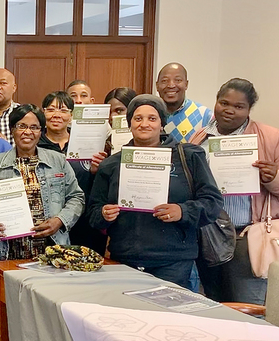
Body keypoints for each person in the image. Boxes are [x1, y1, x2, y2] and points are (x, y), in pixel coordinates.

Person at [89, 94, 223, 288]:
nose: (145, 124)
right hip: (124, 260)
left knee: (167, 317)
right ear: (129, 124)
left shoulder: (189, 157)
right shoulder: (111, 164)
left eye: (152, 118)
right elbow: (93, 212)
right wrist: (103, 214)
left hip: (173, 262)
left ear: (162, 123)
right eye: (138, 118)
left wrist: (182, 211)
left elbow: (213, 202)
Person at [189, 78, 279, 304]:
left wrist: (272, 178)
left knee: (246, 305)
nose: (229, 111)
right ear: (216, 102)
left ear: (249, 110)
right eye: (224, 103)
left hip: (246, 236)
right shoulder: (200, 138)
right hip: (206, 234)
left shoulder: (269, 137)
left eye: (239, 107)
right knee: (210, 301)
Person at [0, 104, 85, 261]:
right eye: (22, 126)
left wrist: (60, 220)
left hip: (53, 250)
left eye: (34, 127)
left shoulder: (57, 160)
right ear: (12, 130)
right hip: (8, 253)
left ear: (40, 132)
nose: (28, 132)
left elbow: (77, 197)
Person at [38, 91, 108, 253]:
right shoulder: (35, 145)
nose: (56, 115)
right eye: (51, 109)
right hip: (49, 220)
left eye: (63, 111)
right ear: (43, 113)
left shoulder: (87, 143)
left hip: (84, 220)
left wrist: (97, 170)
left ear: (71, 115)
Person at [156, 63, 212, 143]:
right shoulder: (148, 115)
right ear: (157, 85)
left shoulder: (205, 115)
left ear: (186, 84)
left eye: (178, 80)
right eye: (164, 81)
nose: (171, 85)